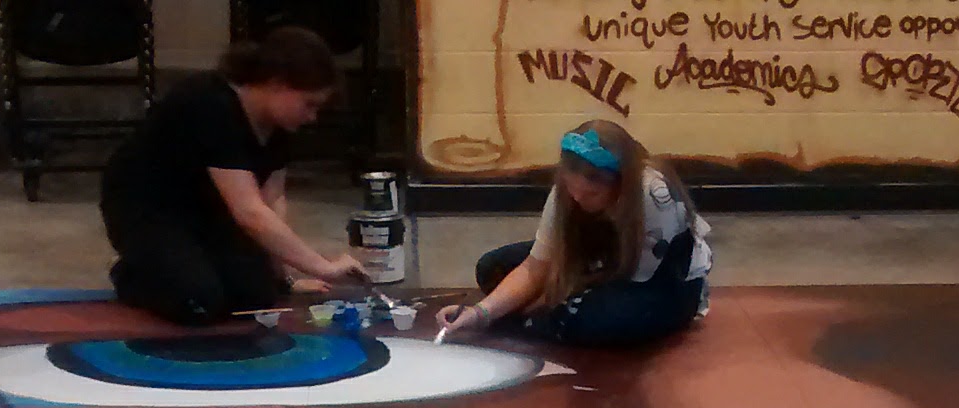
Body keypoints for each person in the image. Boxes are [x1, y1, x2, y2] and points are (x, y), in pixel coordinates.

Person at [101, 26, 369, 325]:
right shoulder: (211, 104)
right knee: (199, 302)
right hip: (147, 208)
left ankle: (185, 263)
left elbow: (271, 200)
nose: (312, 117)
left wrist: (282, 278)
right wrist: (321, 266)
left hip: (207, 209)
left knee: (257, 296)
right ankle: (131, 272)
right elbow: (249, 213)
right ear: (277, 83)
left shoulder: (278, 125)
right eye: (309, 104)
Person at [437, 121, 712, 348]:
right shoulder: (568, 194)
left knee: (590, 316)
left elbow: (633, 276)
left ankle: (541, 321)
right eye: (572, 190)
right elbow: (536, 265)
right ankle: (542, 320)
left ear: (620, 185)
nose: (579, 199)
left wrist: (563, 294)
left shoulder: (654, 194)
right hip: (599, 259)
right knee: (492, 268)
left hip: (658, 280)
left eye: (591, 194)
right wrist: (480, 314)